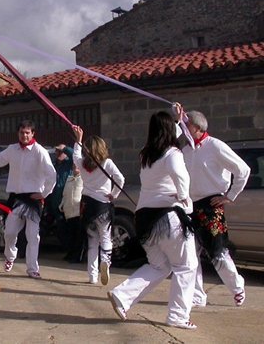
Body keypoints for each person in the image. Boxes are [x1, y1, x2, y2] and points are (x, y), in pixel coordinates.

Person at [108, 111, 198, 330]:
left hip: (145, 219)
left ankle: (122, 296)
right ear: (170, 131)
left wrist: (177, 121)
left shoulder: (146, 154)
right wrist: (184, 196)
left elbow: (166, 136)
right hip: (167, 217)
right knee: (186, 266)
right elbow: (180, 175)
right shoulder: (173, 153)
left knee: (159, 265)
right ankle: (178, 316)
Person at [176, 108, 250, 308]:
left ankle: (237, 286)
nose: (184, 128)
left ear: (198, 127)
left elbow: (243, 170)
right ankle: (197, 295)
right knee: (191, 254)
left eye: (187, 125)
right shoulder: (185, 151)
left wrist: (229, 196)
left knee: (217, 252)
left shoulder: (215, 146)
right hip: (190, 205)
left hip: (211, 204)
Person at [0, 120, 56, 279]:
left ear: (33, 134)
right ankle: (10, 257)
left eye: (27, 132)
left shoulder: (40, 152)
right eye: (21, 132)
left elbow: (51, 175)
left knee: (33, 235)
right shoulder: (12, 149)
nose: (24, 135)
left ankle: (32, 268)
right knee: (9, 232)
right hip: (16, 197)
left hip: (33, 198)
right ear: (18, 133)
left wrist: (44, 194)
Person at [71, 127, 124, 285]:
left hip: (87, 206)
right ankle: (105, 262)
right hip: (103, 205)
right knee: (105, 237)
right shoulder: (107, 163)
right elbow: (120, 179)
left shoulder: (81, 163)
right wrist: (114, 194)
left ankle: (92, 276)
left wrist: (78, 140)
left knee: (92, 241)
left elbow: (75, 156)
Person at [46, 144, 74, 255]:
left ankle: (71, 251)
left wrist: (65, 148)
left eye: (61, 152)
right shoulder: (53, 166)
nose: (58, 154)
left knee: (68, 228)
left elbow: (76, 156)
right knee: (60, 228)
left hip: (67, 202)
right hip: (54, 202)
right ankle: (66, 249)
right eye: (57, 151)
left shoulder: (69, 164)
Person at [58, 163, 83, 263]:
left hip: (78, 211)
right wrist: (62, 205)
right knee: (70, 235)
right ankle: (70, 253)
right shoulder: (69, 179)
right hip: (69, 211)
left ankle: (77, 256)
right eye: (73, 167)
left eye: (77, 167)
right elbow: (65, 194)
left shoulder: (83, 179)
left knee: (78, 235)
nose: (75, 169)